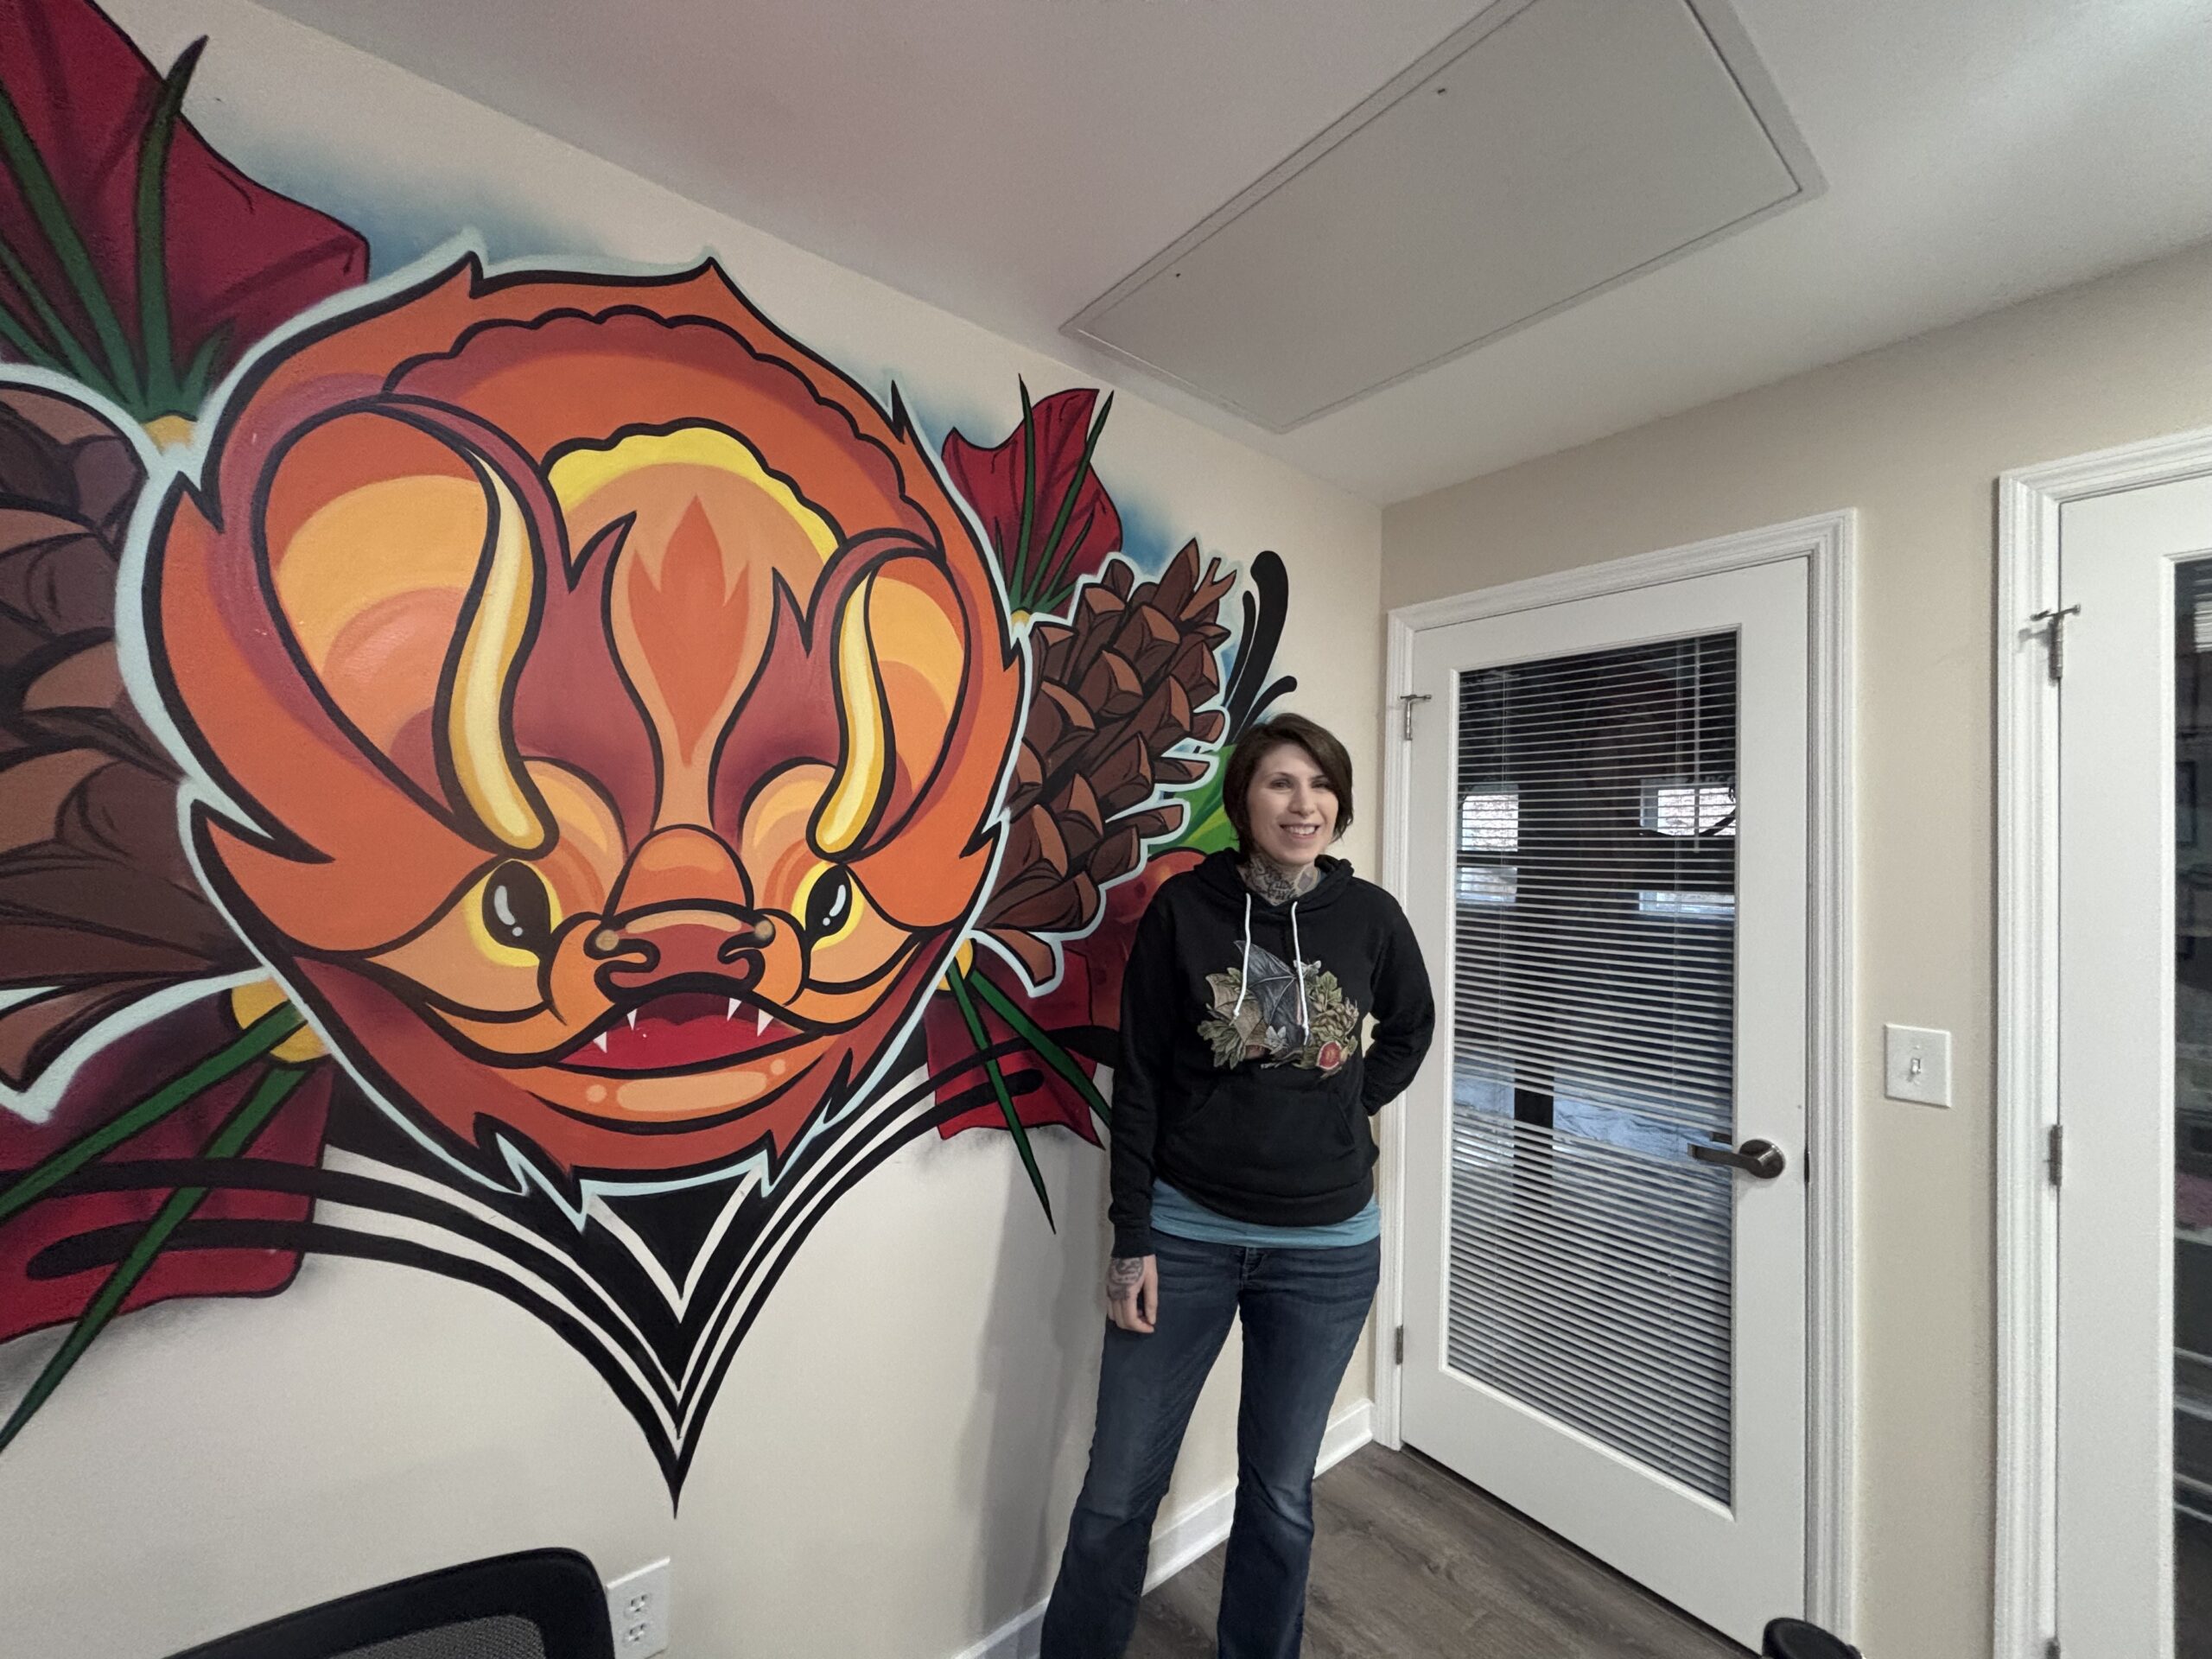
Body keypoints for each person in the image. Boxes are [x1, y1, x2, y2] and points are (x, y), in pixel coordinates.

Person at [1039, 712, 1437, 1659]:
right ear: (1245, 801)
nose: (1303, 804)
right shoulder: (1186, 911)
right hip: (1187, 1234)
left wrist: (1344, 1106)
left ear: (1339, 805)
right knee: (1116, 1494)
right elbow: (1139, 1078)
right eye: (1280, 783)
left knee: (1280, 1495)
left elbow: (1411, 1028)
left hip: (1327, 1250)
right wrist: (1131, 1238)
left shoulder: (1371, 916)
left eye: (1321, 785)